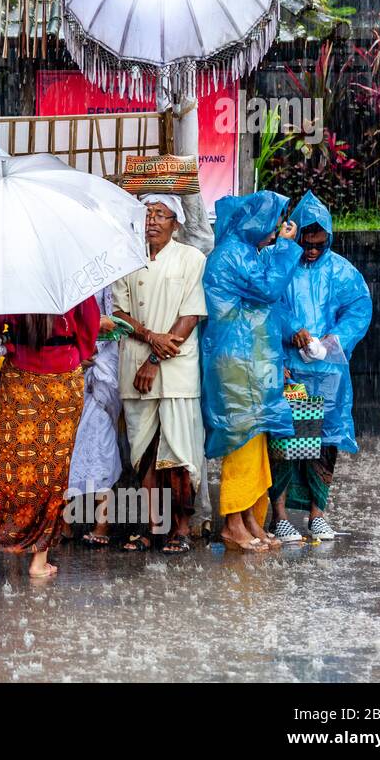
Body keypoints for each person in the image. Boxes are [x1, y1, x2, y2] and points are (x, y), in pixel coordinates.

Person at [0, 300, 101, 581]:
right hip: (65, 380)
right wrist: (72, 354)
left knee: (3, 469)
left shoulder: (13, 276)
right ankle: (39, 561)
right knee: (52, 472)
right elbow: (89, 328)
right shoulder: (69, 272)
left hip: (22, 379)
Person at [201, 191, 301, 553]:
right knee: (240, 437)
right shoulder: (231, 254)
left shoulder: (245, 252)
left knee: (255, 434)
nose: (276, 229)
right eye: (273, 222)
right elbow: (269, 287)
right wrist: (287, 248)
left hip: (250, 360)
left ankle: (250, 519)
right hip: (234, 362)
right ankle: (232, 523)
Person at [271, 191, 372, 542]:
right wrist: (291, 332)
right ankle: (280, 515)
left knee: (325, 442)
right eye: (307, 242)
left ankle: (318, 514)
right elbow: (270, 305)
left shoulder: (342, 271)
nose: (311, 250)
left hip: (328, 373)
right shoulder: (282, 265)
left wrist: (333, 340)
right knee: (287, 441)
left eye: (319, 243)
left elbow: (359, 310)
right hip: (292, 370)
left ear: (328, 239)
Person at [111, 195, 207, 554]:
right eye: (147, 214)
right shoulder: (128, 260)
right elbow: (119, 312)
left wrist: (154, 357)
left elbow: (191, 313)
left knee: (179, 453)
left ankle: (180, 529)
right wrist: (150, 337)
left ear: (176, 223)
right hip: (134, 363)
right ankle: (154, 527)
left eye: (160, 215)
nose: (152, 221)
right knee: (144, 454)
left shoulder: (191, 258)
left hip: (176, 369)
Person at [66, 285, 123, 547]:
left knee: (101, 444)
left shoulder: (111, 274)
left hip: (103, 365)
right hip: (72, 361)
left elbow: (118, 321)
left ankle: (103, 523)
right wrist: (78, 347)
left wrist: (96, 336)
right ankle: (64, 523)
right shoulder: (68, 272)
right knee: (67, 445)